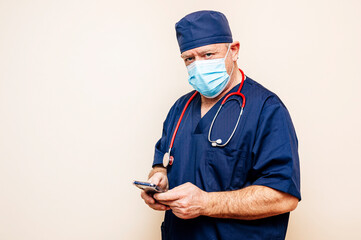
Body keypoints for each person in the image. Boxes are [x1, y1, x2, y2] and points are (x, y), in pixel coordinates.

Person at [140, 10, 301, 240]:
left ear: (233, 51)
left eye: (207, 54)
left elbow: (284, 197)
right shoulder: (180, 108)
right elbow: (161, 163)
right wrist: (158, 179)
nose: (198, 65)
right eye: (189, 59)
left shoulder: (266, 108)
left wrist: (205, 203)